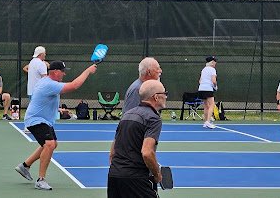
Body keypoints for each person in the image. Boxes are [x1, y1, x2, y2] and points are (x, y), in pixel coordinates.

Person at [14, 60, 97, 190]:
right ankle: (41, 180)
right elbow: (74, 85)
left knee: (52, 144)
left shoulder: (47, 81)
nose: (64, 74)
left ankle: (25, 166)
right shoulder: (49, 84)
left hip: (43, 119)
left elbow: (43, 100)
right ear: (55, 72)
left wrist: (58, 109)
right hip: (36, 119)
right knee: (50, 144)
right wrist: (88, 71)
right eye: (62, 71)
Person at [107, 79, 168, 198]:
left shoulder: (126, 115)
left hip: (114, 176)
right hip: (136, 178)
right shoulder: (153, 119)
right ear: (156, 97)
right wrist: (157, 175)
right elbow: (147, 152)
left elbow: (112, 153)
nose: (166, 96)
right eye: (164, 93)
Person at [197, 55, 217, 129]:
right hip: (208, 89)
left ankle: (206, 122)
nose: (215, 63)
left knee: (206, 106)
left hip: (201, 88)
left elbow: (200, 81)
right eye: (214, 61)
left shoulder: (204, 69)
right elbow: (214, 81)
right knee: (212, 104)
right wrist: (215, 86)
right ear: (211, 62)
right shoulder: (212, 70)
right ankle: (208, 122)